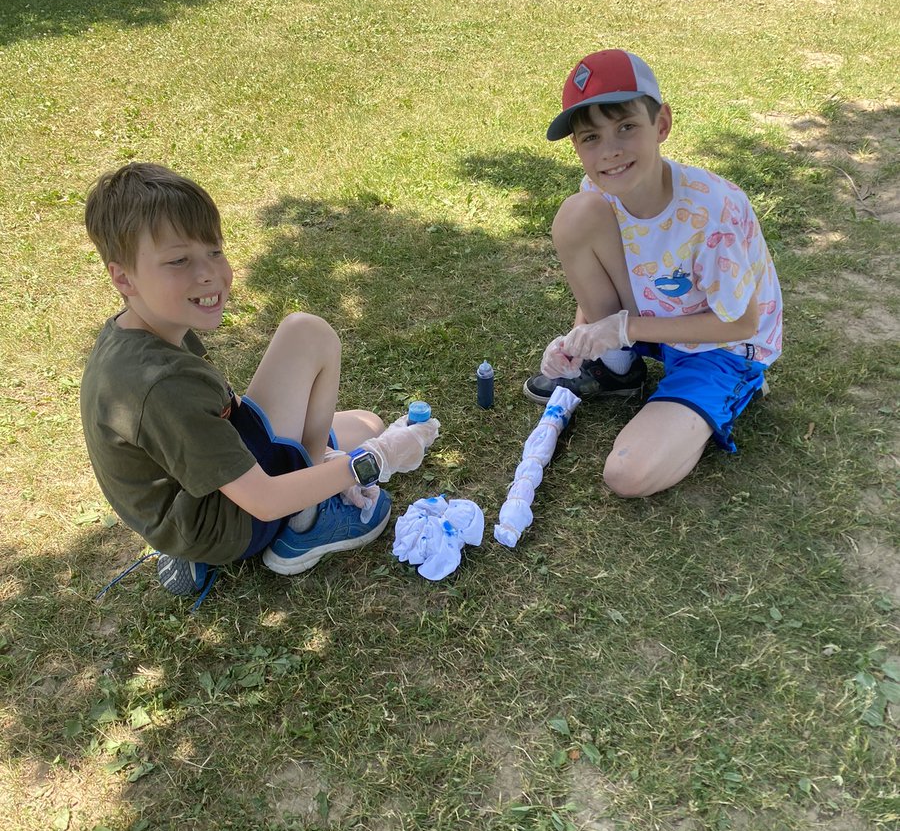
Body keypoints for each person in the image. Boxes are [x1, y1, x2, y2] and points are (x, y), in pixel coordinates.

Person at [80, 162, 437, 603]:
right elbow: (265, 500)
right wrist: (374, 462)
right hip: (233, 521)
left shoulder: (140, 329)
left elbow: (204, 425)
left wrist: (341, 453)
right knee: (309, 335)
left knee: (367, 423)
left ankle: (308, 470)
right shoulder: (161, 385)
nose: (208, 273)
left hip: (191, 497)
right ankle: (306, 523)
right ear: (122, 277)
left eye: (214, 250)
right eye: (179, 260)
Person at [524, 48, 782, 498]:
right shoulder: (599, 189)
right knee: (575, 215)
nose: (611, 152)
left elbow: (743, 322)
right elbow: (607, 286)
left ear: (661, 124)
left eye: (626, 127)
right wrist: (581, 339)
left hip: (722, 345)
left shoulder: (713, 211)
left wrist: (623, 327)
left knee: (626, 475)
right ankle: (616, 370)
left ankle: (725, 396)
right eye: (591, 138)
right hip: (654, 310)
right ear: (577, 148)